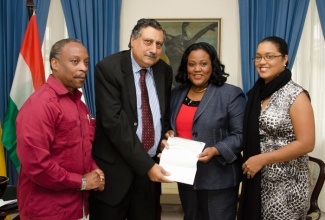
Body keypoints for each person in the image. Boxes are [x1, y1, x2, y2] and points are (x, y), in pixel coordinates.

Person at [89, 18, 174, 220]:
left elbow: (163, 113)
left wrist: (165, 134)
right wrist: (147, 165)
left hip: (148, 176)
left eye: (159, 44)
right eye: (148, 41)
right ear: (132, 40)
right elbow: (114, 124)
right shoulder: (108, 68)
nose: (154, 49)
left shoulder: (164, 70)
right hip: (115, 174)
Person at [16, 38, 105, 220]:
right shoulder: (40, 105)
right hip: (47, 211)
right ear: (54, 64)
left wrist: (95, 171)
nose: (83, 68)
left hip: (78, 206)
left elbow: (80, 149)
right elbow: (37, 166)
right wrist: (82, 182)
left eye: (86, 62)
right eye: (75, 61)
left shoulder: (79, 105)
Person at [164, 42, 246, 220]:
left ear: (213, 66)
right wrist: (170, 134)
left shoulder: (230, 94)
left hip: (219, 178)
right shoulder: (177, 94)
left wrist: (216, 150)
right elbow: (174, 126)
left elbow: (241, 135)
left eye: (203, 63)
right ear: (186, 67)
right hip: (186, 176)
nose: (197, 69)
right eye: (192, 64)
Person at [237, 36, 315, 220]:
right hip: (258, 180)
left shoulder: (296, 95)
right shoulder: (257, 93)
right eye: (258, 57)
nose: (262, 62)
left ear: (285, 59)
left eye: (269, 56)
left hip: (287, 186)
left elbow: (306, 143)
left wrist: (262, 159)